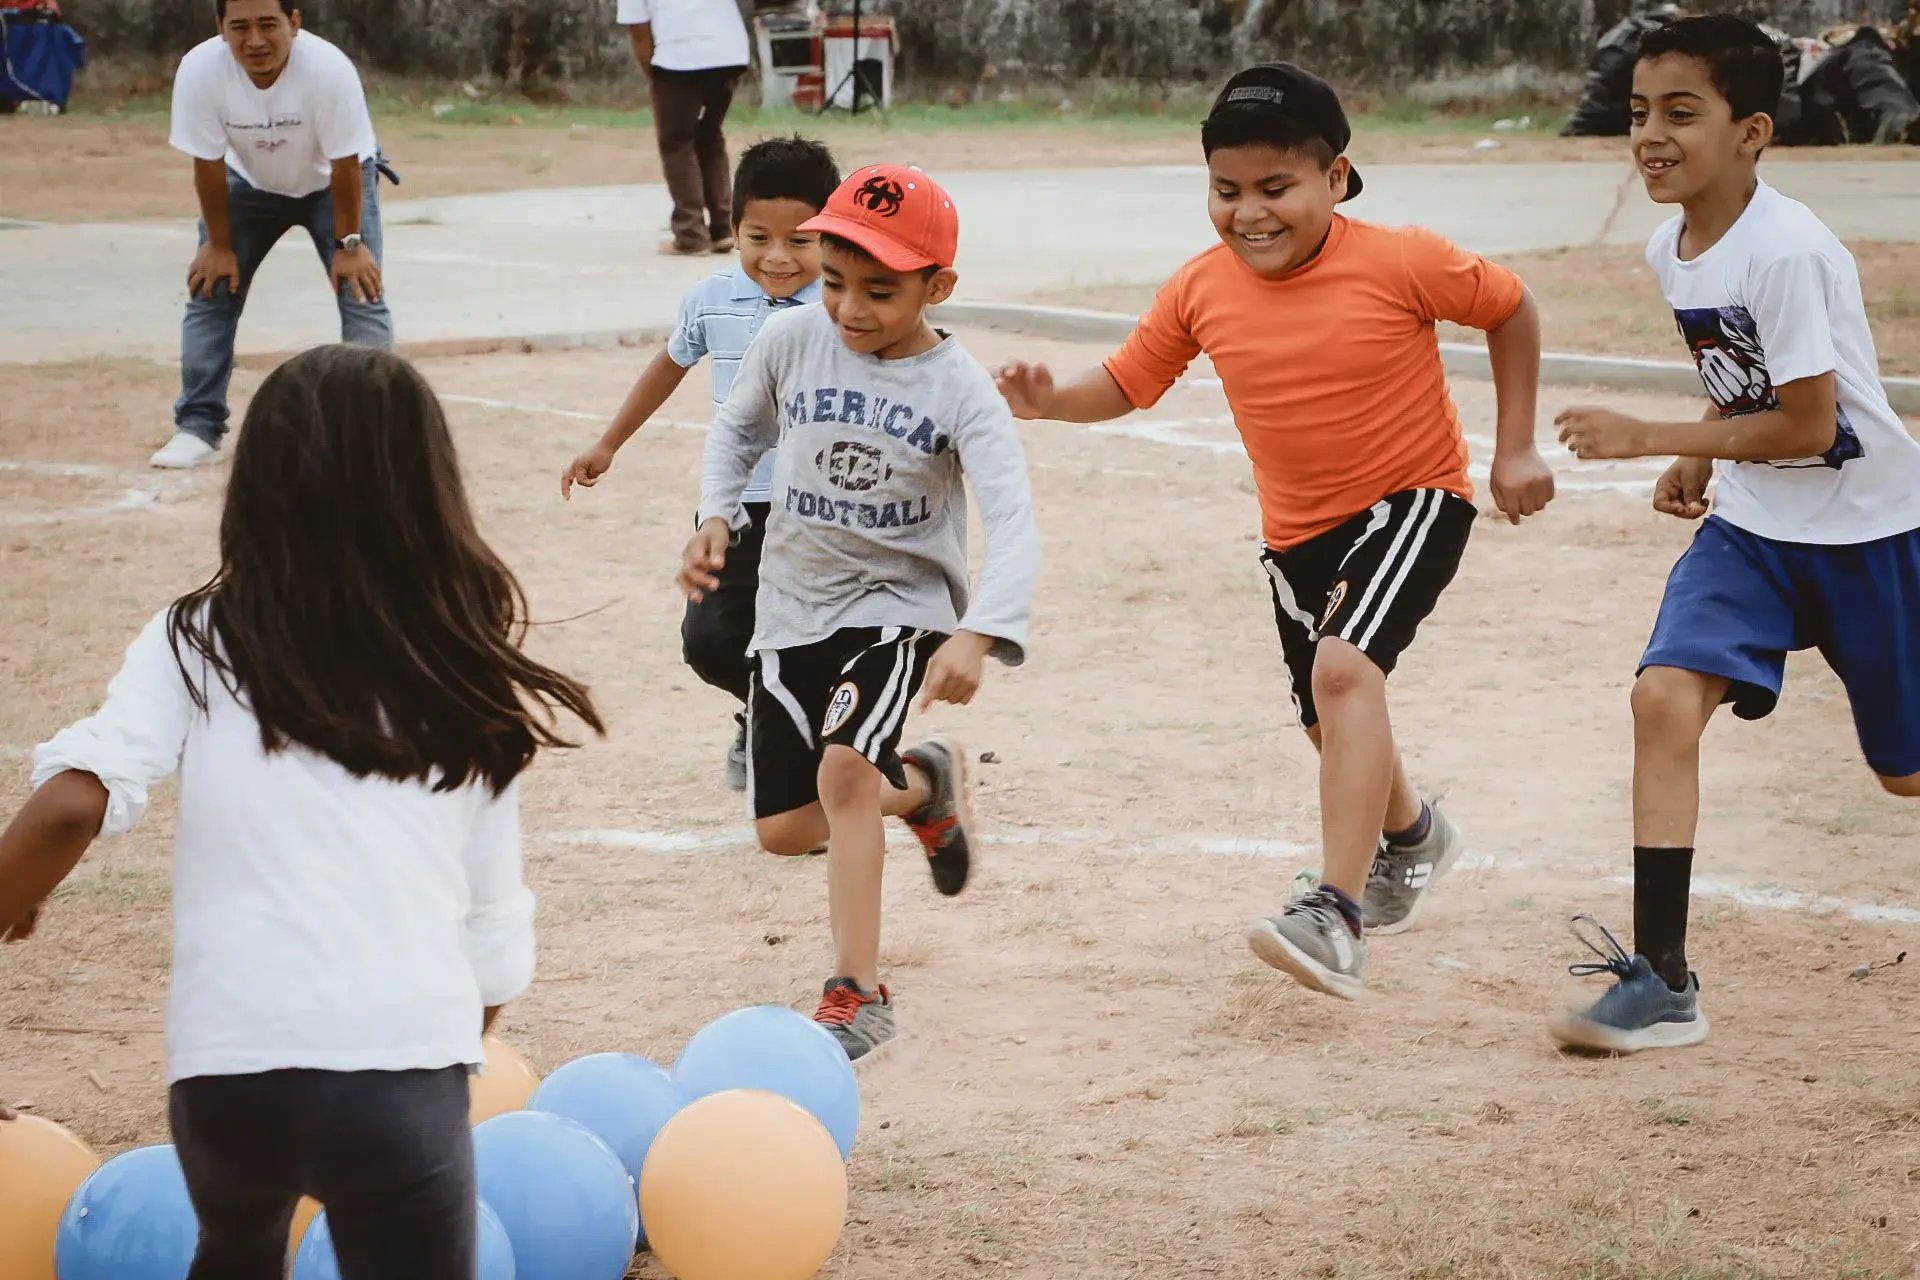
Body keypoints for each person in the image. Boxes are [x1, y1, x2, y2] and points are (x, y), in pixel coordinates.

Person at [0, 345, 603, 1279]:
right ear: (429, 491)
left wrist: (14, 891)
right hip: (400, 1084)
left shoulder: (195, 639)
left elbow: (75, 801)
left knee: (236, 1249)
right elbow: (494, 929)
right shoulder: (460, 661)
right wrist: (438, 1046)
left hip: (225, 1078)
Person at [996, 63, 1556, 1000]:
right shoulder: (1200, 287)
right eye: (1226, 191)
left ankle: (1332, 913)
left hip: (1414, 500)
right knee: (1325, 720)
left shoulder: (1401, 260)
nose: (1248, 212)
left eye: (1275, 187)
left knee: (1345, 672)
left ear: (1336, 179)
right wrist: (1053, 403)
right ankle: (1414, 834)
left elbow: (1510, 307)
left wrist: (1517, 447)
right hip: (1297, 538)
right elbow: (1131, 381)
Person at [1550, 15, 1920, 1053]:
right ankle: (1662, 978)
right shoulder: (1671, 244)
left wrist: (1647, 433)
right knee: (1661, 696)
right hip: (1756, 529)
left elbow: (1812, 424)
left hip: (1867, 530)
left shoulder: (1792, 251)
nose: (1650, 136)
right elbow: (1744, 381)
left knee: (1905, 774)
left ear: (1752, 130)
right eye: (1637, 113)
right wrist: (1707, 448)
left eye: (1681, 113)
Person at [680, 164, 1041, 1061]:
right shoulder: (793, 339)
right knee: (782, 830)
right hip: (789, 608)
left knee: (843, 778)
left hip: (898, 607)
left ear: (937, 287)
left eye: (880, 291)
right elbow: (735, 429)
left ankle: (858, 992)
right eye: (835, 280)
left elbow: (1015, 517)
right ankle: (922, 789)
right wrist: (715, 514)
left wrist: (979, 629)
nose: (849, 308)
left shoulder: (961, 390)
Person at [563, 136, 840, 792]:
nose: (776, 257)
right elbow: (669, 365)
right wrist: (608, 443)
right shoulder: (711, 299)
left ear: (830, 235)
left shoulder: (843, 306)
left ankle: (813, 766)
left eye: (800, 241)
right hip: (734, 509)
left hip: (822, 514)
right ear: (733, 227)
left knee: (820, 640)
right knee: (710, 640)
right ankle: (763, 710)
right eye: (757, 236)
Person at [155, 0, 394, 471]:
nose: (256, 41)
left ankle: (370, 433)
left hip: (333, 183)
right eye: (240, 27)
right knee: (210, 291)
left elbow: (347, 163)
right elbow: (207, 163)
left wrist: (349, 246)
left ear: (295, 23)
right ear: (221, 28)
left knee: (361, 291)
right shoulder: (200, 70)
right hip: (247, 184)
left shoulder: (328, 70)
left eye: (269, 25)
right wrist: (219, 245)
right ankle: (198, 428)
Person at [618, 0, 751, 257]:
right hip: (729, 54)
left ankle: (691, 235)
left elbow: (638, 31)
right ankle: (723, 229)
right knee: (710, 135)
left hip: (681, 58)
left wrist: (656, 76)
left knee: (677, 141)